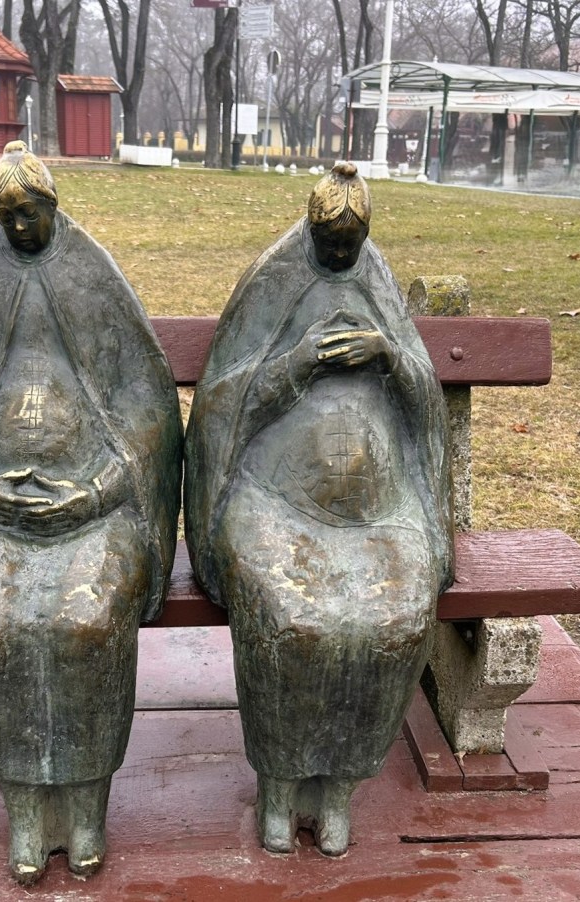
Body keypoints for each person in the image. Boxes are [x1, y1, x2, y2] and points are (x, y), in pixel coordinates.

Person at [0, 141, 182, 884]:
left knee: (86, 622)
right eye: (6, 217)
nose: (19, 228)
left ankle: (87, 803)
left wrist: (107, 483)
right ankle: (23, 806)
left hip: (94, 507)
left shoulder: (92, 275)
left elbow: (143, 394)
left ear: (53, 206)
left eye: (29, 213)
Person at [184, 162, 453, 856]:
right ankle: (278, 782)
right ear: (309, 229)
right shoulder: (274, 279)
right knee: (294, 617)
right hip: (274, 502)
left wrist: (387, 352)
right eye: (328, 244)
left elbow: (424, 396)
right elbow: (221, 402)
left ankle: (337, 786)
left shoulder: (376, 279)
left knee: (388, 618)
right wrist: (298, 361)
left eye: (350, 245)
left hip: (377, 511)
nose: (338, 257)